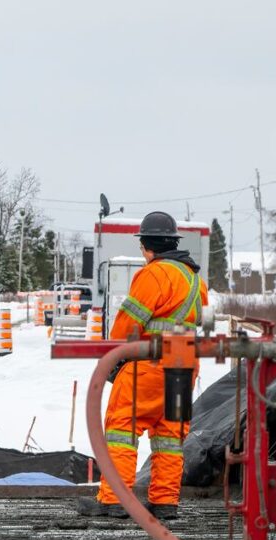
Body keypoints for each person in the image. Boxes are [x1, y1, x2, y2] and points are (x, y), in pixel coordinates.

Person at [77, 211, 208, 521]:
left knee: (123, 426)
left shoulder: (154, 274)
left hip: (151, 364)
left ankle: (114, 500)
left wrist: (113, 354)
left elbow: (129, 323)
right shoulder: (194, 279)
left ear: (147, 247)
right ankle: (164, 501)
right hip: (185, 364)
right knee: (170, 436)